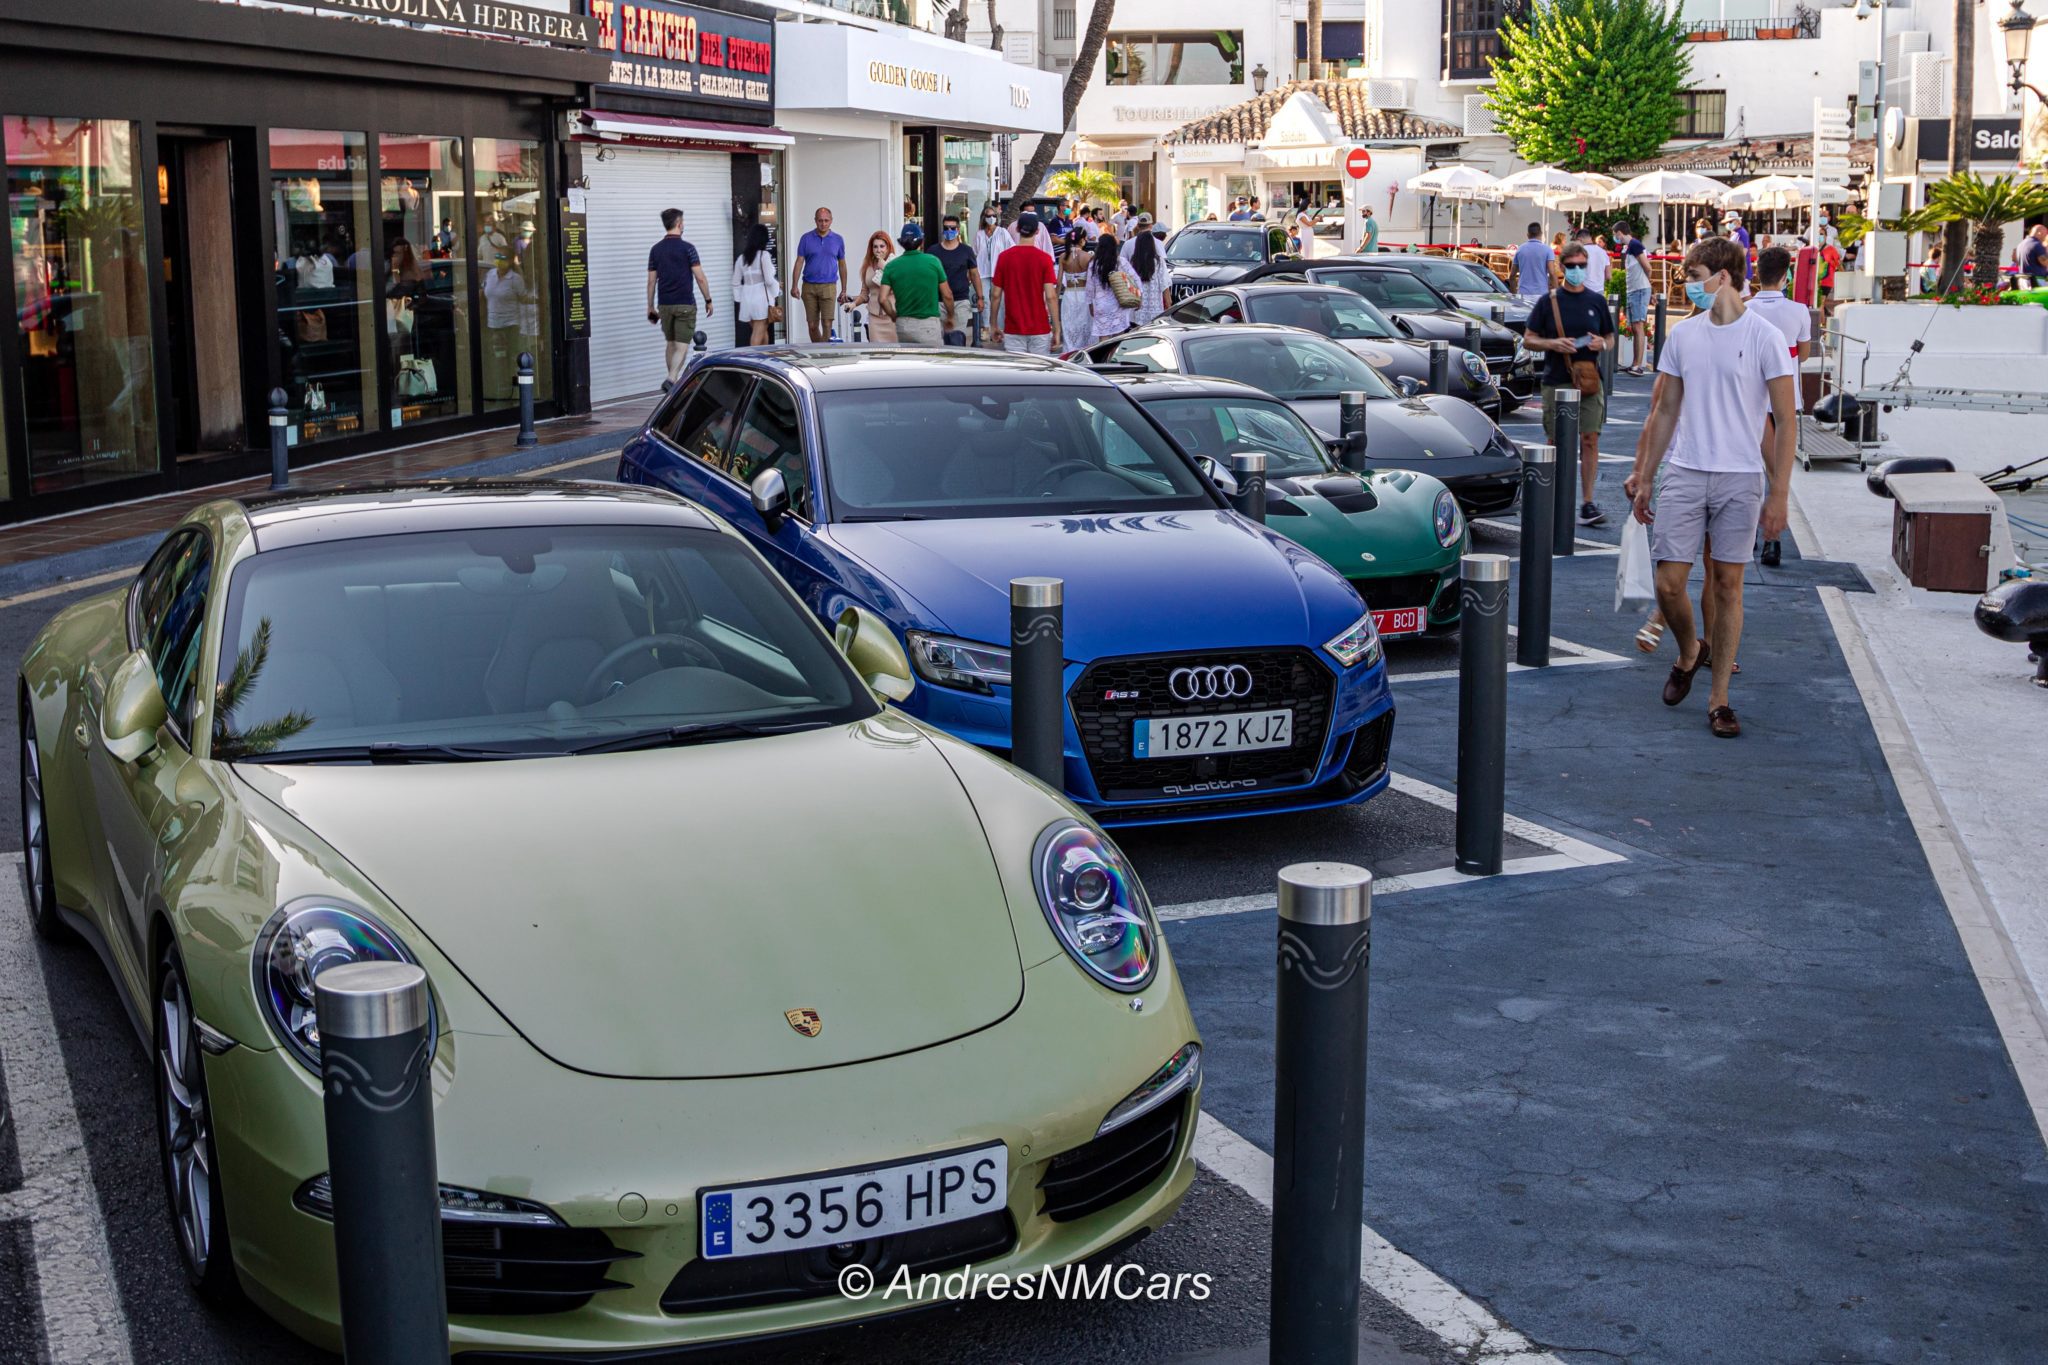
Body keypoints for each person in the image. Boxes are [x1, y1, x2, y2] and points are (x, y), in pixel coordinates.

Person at [1623, 235, 1797, 739]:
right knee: (1668, 583)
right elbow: (1665, 409)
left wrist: (1779, 492)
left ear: (1723, 277)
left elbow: (1786, 420)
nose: (1687, 286)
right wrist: (1646, 476)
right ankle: (1688, 651)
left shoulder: (1764, 337)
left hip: (1740, 477)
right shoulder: (1683, 335)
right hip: (1685, 469)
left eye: (1694, 277)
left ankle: (1719, 699)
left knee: (1727, 587)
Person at [1522, 239, 1616, 527]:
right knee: (1556, 440)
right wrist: (1553, 343)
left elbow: (1610, 337)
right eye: (1572, 266)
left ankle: (1587, 502)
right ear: (1562, 267)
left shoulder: (1596, 301)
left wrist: (1602, 344)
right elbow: (1528, 339)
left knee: (1590, 438)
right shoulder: (1549, 301)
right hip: (1557, 380)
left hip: (1589, 380)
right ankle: (1552, 498)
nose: (1577, 270)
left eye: (1582, 265)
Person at [1741, 244, 1811, 567]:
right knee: (1778, 472)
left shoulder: (1745, 309)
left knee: (1750, 466)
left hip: (1750, 396)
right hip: (1784, 398)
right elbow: (1804, 354)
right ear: (1786, 276)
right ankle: (1773, 540)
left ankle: (1749, 533)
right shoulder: (1798, 311)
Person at [646, 207, 713, 385]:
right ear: (678, 223)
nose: (683, 224)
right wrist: (708, 300)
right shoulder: (688, 249)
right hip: (685, 304)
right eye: (682, 221)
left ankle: (673, 384)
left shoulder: (656, 250)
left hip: (664, 304)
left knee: (671, 343)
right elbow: (700, 278)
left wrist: (650, 306)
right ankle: (671, 378)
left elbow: (651, 281)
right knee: (682, 345)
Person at [990, 213, 1061, 354]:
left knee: (1016, 368)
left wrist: (993, 325)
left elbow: (996, 295)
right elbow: (1051, 296)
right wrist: (1057, 329)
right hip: (1040, 327)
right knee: (1040, 367)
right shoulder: (1044, 259)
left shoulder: (1004, 258)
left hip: (1013, 328)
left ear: (1017, 229)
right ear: (1037, 231)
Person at [879, 222, 951, 346]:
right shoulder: (933, 262)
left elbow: (882, 298)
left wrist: (893, 315)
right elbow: (947, 295)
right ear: (921, 242)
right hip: (928, 324)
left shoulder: (891, 266)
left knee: (908, 358)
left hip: (903, 324)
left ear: (902, 243)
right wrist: (950, 316)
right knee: (932, 357)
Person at [790, 206, 849, 344]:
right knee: (812, 325)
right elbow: (799, 262)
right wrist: (794, 285)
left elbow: (842, 264)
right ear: (815, 220)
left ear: (831, 221)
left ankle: (824, 353)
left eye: (826, 220)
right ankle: (818, 351)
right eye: (820, 220)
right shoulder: (806, 238)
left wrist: (844, 289)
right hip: (809, 286)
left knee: (827, 323)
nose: (823, 223)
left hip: (829, 286)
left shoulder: (838, 239)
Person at [482, 251, 530, 401]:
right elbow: (483, 294)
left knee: (512, 356)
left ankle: (514, 389)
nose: (499, 261)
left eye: (503, 258)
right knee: (496, 358)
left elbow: (523, 298)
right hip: (493, 324)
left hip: (511, 324)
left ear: (509, 261)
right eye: (497, 258)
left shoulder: (515, 279)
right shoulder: (490, 275)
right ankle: (498, 387)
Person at [930, 214, 981, 342]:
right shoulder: (933, 251)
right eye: (946, 228)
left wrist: (980, 297)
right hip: (938, 302)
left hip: (960, 301)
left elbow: (974, 274)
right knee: (939, 341)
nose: (949, 231)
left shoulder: (966, 251)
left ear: (958, 229)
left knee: (957, 339)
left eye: (952, 228)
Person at [1615, 221, 1653, 375]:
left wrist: (1646, 283)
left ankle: (1637, 366)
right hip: (1634, 290)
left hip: (1639, 289)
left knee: (1638, 326)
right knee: (1635, 327)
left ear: (1619, 233)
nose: (1615, 238)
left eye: (1615, 235)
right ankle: (1634, 364)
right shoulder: (1630, 246)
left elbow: (1647, 267)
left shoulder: (1635, 245)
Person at [1085, 231, 1136, 343]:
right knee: (1118, 337)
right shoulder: (1121, 262)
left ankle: (1104, 354)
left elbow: (1089, 287)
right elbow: (1134, 279)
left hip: (1101, 305)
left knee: (1103, 338)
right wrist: (1137, 296)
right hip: (1119, 303)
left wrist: (1090, 305)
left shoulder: (1094, 264)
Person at [974, 207, 1016, 341]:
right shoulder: (979, 234)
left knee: (999, 300)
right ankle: (986, 328)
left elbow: (1012, 249)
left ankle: (998, 328)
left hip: (999, 271)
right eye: (988, 215)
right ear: (983, 217)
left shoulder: (1002, 232)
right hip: (983, 271)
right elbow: (975, 253)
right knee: (985, 299)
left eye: (993, 215)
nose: (991, 218)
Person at [1122, 212, 1172, 325]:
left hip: (1134, 308)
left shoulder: (1128, 246)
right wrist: (1169, 305)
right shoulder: (1158, 250)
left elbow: (1122, 273)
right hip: (1154, 310)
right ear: (1151, 226)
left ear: (1138, 225)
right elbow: (1164, 283)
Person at [732, 223, 777, 346]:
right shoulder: (764, 255)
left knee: (763, 332)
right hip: (761, 299)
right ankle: (753, 356)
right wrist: (777, 288)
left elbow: (735, 282)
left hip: (747, 299)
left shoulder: (742, 258)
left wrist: (739, 299)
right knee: (758, 333)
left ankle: (765, 354)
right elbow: (769, 280)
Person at [1058, 227, 1096, 353]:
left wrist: (1055, 299)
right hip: (1084, 295)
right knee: (1085, 326)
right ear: (1082, 240)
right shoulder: (1088, 257)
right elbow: (1092, 282)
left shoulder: (1063, 257)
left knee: (1069, 327)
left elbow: (1059, 281)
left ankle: (1070, 353)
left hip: (1069, 295)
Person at [856, 231, 896, 343]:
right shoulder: (867, 267)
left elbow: (899, 287)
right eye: (875, 247)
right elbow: (864, 294)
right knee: (876, 351)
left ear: (888, 247)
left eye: (882, 246)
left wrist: (885, 267)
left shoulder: (895, 264)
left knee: (895, 351)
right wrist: (853, 304)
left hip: (892, 316)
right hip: (874, 318)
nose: (879, 250)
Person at [1509, 221, 1552, 299]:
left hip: (1523, 293)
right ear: (1541, 234)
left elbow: (1512, 275)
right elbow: (1552, 273)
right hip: (1542, 294)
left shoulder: (1520, 250)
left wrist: (1514, 295)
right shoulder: (1547, 250)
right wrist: (1556, 296)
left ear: (1528, 235)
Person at [1576, 226, 1610, 302]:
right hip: (1600, 291)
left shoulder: (1580, 252)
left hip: (1584, 291)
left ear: (1579, 239)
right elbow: (1608, 276)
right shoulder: (1603, 252)